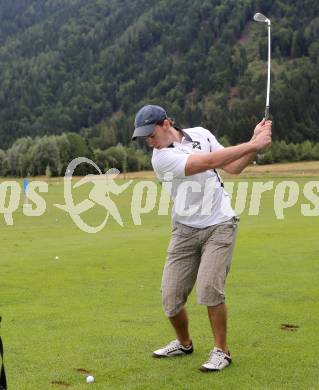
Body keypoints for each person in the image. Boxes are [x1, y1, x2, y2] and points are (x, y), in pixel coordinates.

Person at [132, 105, 272, 372]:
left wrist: (255, 145)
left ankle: (222, 351)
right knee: (170, 299)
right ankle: (184, 343)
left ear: (166, 123)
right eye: (143, 137)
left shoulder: (202, 135)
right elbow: (206, 163)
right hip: (184, 230)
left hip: (220, 223)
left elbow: (233, 167)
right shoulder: (160, 159)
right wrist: (253, 142)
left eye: (150, 134)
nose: (148, 140)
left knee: (209, 290)